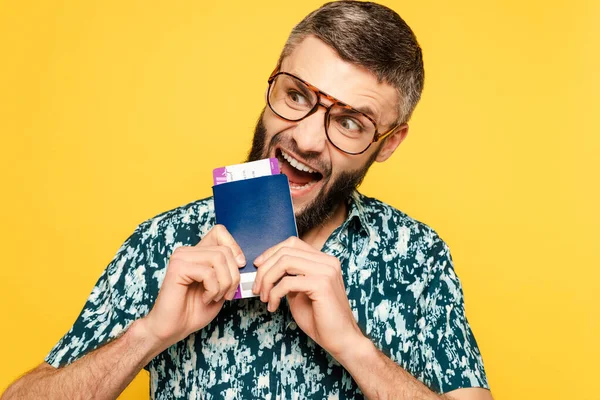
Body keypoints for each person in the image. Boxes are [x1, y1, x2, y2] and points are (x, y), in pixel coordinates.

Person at [2, 1, 492, 399]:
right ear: (272, 82)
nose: (306, 139)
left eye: (349, 122)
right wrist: (149, 334)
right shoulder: (164, 243)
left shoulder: (416, 257)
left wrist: (354, 347)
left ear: (388, 143)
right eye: (297, 95)